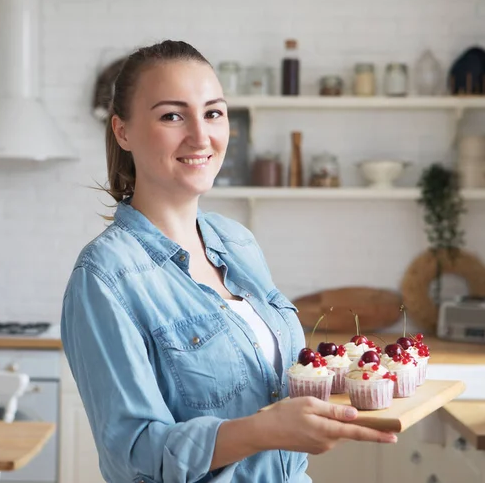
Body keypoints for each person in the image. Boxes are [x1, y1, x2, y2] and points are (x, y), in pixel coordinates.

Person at [60, 39, 397, 483]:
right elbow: (135, 453)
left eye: (213, 112)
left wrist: (352, 375)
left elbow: (273, 379)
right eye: (172, 115)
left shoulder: (236, 241)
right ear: (123, 131)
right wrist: (262, 431)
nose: (201, 137)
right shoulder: (104, 278)